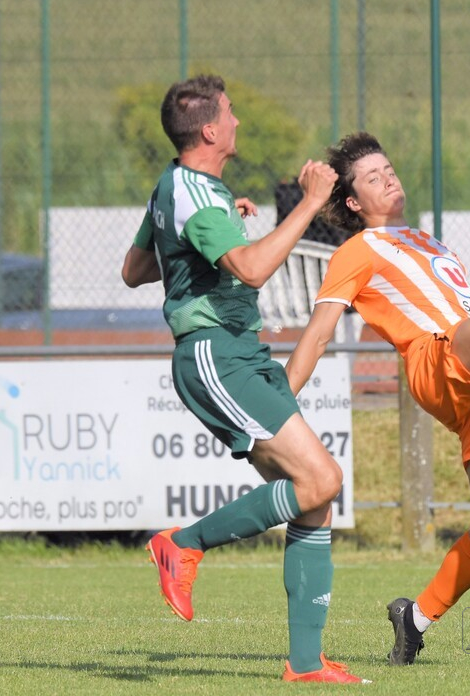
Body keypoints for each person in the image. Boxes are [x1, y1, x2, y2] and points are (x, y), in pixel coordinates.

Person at [283, 132, 470, 667]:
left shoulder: (430, 242)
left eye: (389, 169)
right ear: (353, 202)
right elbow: (318, 334)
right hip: (432, 363)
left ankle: (415, 620)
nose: (388, 179)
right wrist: (278, 404)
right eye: (372, 177)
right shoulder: (357, 251)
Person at [120, 74, 367, 684]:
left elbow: (135, 269)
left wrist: (214, 229)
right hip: (216, 354)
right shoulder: (195, 195)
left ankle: (305, 664)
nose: (236, 121)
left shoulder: (183, 188)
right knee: (322, 479)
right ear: (209, 130)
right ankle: (184, 543)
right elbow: (252, 270)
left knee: (314, 499)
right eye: (229, 113)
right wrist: (308, 202)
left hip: (237, 351)